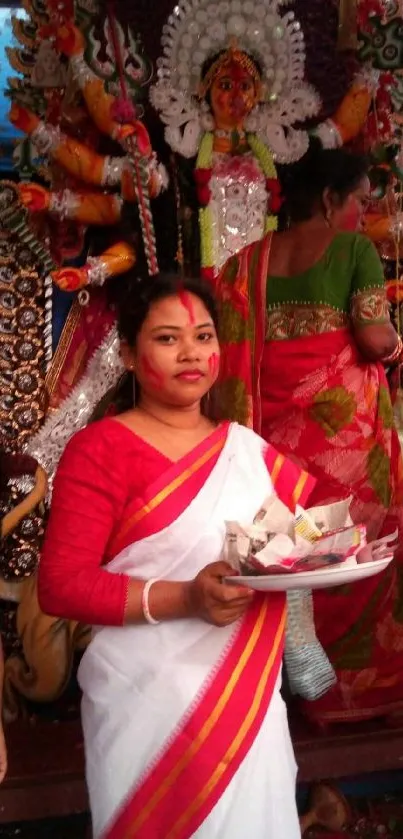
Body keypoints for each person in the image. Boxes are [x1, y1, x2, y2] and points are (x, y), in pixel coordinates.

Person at [38, 271, 313, 839]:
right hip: (148, 705)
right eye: (167, 338)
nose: (191, 352)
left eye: (204, 336)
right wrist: (185, 597)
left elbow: (291, 553)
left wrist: (325, 553)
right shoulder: (100, 450)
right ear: (129, 356)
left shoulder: (247, 451)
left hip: (249, 704)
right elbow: (61, 585)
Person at [216, 140, 403, 727]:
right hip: (343, 442)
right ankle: (348, 696)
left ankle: (281, 689)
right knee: (364, 554)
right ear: (329, 200)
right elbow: (374, 338)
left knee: (287, 555)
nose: (363, 216)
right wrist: (397, 347)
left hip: (272, 449)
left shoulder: (243, 263)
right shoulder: (353, 250)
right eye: (360, 202)